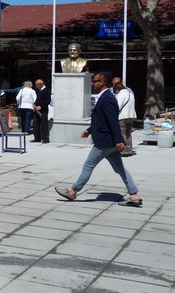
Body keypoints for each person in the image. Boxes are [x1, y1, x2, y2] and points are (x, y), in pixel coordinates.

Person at [55, 73, 142, 207]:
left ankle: (73, 191)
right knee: (120, 168)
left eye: (94, 81)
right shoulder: (105, 97)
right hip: (109, 142)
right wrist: (89, 130)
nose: (92, 84)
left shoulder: (107, 98)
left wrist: (119, 140)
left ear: (102, 82)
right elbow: (102, 120)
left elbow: (112, 121)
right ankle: (134, 195)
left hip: (105, 142)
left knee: (88, 166)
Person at [112, 77, 137, 157]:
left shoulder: (121, 94)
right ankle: (129, 150)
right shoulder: (130, 93)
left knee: (122, 133)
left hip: (123, 116)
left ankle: (124, 151)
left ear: (117, 88)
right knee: (129, 134)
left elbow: (118, 106)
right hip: (131, 115)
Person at [32, 79, 51, 143]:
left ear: (40, 85)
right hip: (36, 109)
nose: (35, 86)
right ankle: (37, 138)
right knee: (35, 123)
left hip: (43, 110)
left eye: (36, 85)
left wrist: (41, 106)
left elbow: (48, 101)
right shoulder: (37, 91)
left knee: (44, 124)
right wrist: (34, 105)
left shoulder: (47, 90)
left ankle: (45, 138)